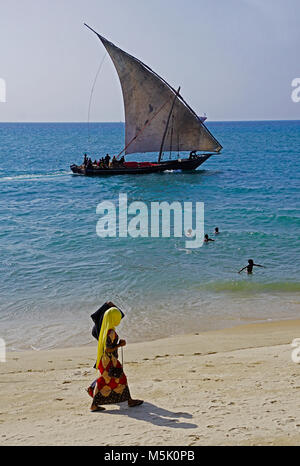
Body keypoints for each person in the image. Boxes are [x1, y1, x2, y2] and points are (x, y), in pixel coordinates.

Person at [87, 307, 143, 412]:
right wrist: (119, 345)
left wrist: (117, 344)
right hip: (109, 361)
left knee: (109, 380)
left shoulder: (104, 329)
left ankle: (128, 400)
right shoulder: (110, 332)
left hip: (104, 360)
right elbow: (108, 349)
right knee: (118, 379)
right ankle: (128, 401)